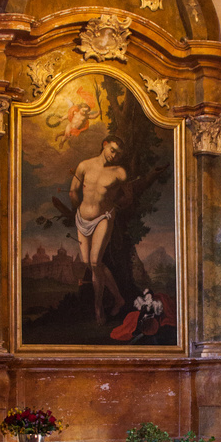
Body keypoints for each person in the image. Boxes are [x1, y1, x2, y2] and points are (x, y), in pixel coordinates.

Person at [69, 135, 129, 324]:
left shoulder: (119, 172)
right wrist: (78, 208)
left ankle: (98, 308)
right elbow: (73, 190)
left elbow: (128, 197)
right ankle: (118, 298)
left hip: (104, 218)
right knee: (89, 262)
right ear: (104, 145)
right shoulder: (84, 165)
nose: (114, 156)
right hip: (82, 219)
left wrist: (113, 208)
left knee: (95, 262)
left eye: (118, 154)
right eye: (112, 150)